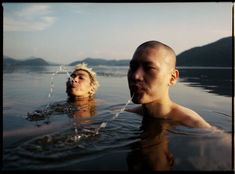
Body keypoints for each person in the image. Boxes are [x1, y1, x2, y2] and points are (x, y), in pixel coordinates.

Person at [126, 40, 211, 128]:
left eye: (149, 68)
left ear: (172, 78)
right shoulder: (129, 113)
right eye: (133, 67)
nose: (135, 76)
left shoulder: (196, 125)